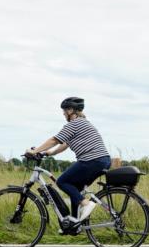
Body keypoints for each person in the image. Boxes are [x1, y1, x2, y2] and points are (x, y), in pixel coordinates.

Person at [28, 97, 111, 226]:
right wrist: (49, 153)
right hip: (102, 160)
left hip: (91, 160)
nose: (63, 113)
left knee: (62, 181)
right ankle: (75, 223)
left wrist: (35, 151)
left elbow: (55, 140)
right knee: (75, 189)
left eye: (64, 110)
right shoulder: (84, 123)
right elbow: (64, 144)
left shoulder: (74, 124)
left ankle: (86, 204)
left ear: (71, 110)